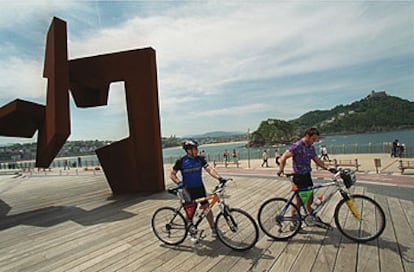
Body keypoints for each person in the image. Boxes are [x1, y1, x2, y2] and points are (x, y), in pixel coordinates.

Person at [277, 128, 335, 226]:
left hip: (307, 175)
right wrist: (281, 170)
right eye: (313, 139)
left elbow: (318, 161)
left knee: (310, 200)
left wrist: (329, 168)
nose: (314, 141)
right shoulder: (297, 146)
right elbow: (283, 157)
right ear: (307, 136)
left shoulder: (311, 147)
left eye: (316, 139)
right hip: (299, 176)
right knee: (299, 202)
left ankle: (311, 217)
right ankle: (294, 222)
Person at [170, 139, 228, 238]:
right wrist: (179, 182)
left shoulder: (200, 159)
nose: (196, 150)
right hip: (188, 190)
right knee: (190, 212)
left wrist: (219, 178)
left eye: (197, 148)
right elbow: (172, 174)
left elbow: (209, 169)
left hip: (199, 188)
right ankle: (191, 230)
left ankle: (213, 228)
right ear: (188, 150)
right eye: (194, 149)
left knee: (207, 208)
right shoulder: (181, 161)